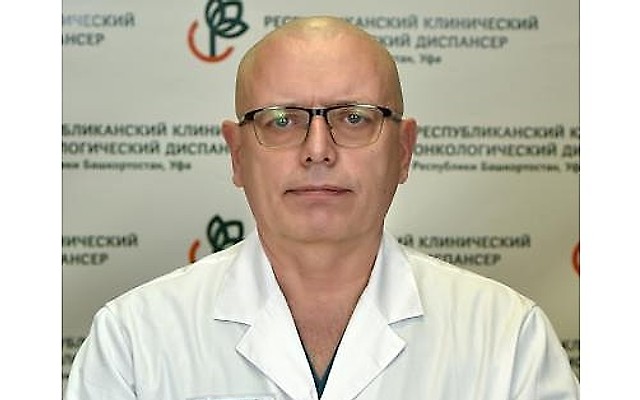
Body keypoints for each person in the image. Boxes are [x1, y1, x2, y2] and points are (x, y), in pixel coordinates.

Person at [65, 16, 579, 400]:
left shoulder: (507, 338)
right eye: (281, 120)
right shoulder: (133, 341)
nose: (317, 150)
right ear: (237, 155)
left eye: (354, 118)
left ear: (403, 151)